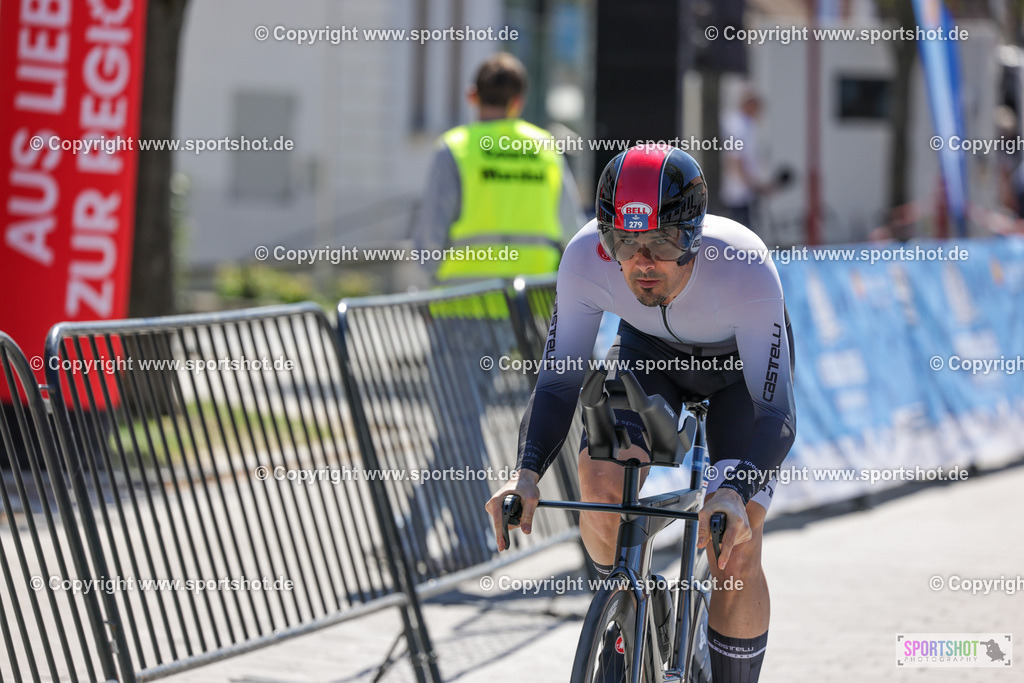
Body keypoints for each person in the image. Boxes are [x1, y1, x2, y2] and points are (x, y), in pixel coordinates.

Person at [485, 144, 796, 682]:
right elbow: (558, 384)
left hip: (738, 380)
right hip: (649, 359)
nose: (642, 262)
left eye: (661, 242)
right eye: (623, 242)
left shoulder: (744, 263)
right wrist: (525, 472)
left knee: (734, 547)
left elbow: (777, 413)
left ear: (694, 236)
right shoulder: (585, 258)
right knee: (600, 483)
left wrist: (734, 492)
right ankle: (630, 612)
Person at [413, 52, 583, 282]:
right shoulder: (547, 148)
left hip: (462, 303)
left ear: (472, 96)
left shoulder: (454, 148)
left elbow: (430, 239)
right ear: (518, 103)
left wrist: (430, 277)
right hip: (532, 304)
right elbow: (573, 232)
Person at [720, 88, 787, 230]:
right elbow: (735, 160)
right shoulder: (737, 125)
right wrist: (753, 184)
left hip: (748, 191)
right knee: (742, 233)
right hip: (740, 191)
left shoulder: (748, 124)